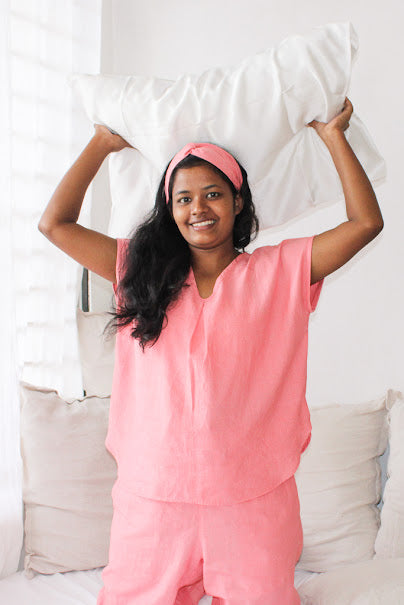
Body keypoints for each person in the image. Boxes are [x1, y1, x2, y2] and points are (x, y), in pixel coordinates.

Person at [38, 96, 384, 605]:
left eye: (213, 194)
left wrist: (334, 136)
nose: (198, 209)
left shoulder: (279, 271)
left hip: (252, 500)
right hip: (153, 500)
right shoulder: (137, 269)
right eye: (183, 198)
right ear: (169, 208)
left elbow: (364, 224)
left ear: (238, 201)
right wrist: (101, 144)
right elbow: (55, 225)